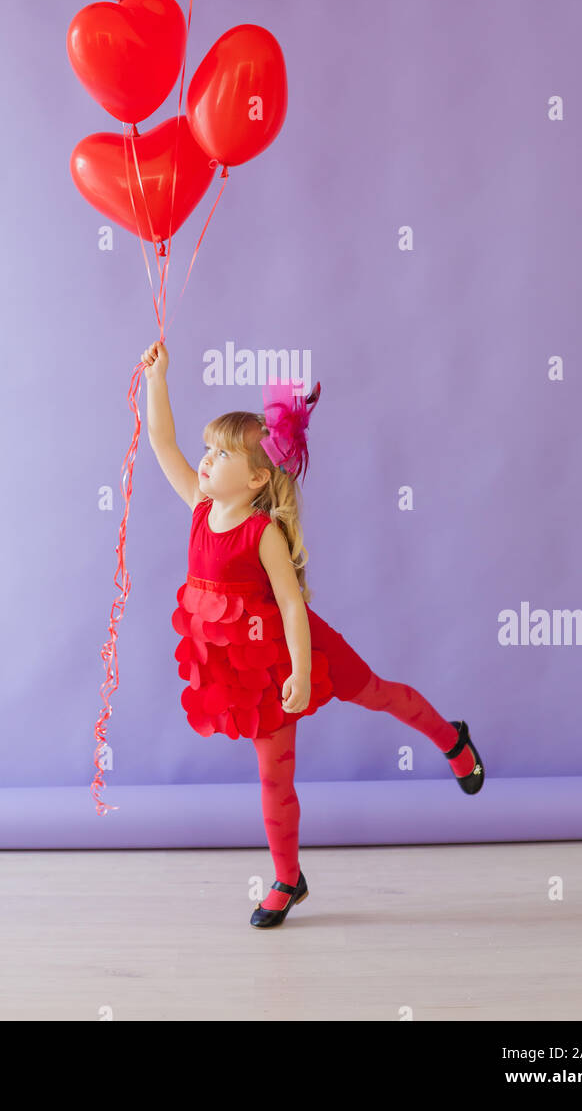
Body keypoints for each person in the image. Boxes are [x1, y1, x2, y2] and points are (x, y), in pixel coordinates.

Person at [141, 339, 484, 929]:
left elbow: (293, 611)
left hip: (294, 654)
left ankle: (451, 739)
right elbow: (160, 442)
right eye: (209, 448)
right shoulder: (199, 507)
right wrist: (158, 378)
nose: (205, 460)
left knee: (376, 692)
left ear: (254, 479)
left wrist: (301, 671)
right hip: (243, 664)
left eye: (221, 454)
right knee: (273, 773)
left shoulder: (261, 533)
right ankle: (287, 878)